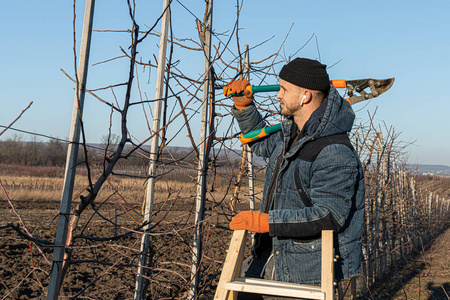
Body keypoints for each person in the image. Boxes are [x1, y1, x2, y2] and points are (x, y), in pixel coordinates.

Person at [227, 58, 365, 299]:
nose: (278, 95)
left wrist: (266, 222)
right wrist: (244, 108)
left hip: (302, 271)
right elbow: (261, 144)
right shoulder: (292, 132)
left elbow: (329, 215)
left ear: (306, 96)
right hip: (270, 254)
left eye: (284, 89)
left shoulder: (333, 150)